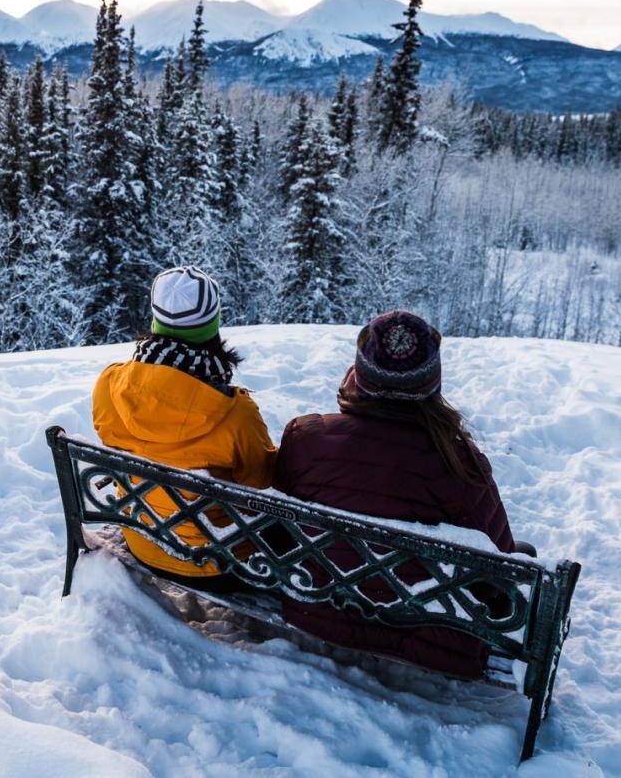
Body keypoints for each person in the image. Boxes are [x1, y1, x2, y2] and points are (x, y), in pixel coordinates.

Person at [275, 310, 529, 678]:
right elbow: (498, 574)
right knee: (523, 554)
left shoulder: (306, 437)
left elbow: (282, 524)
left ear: (358, 374)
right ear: (431, 381)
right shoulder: (458, 463)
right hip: (422, 632)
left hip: (316, 608)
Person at [92, 265, 277, 591]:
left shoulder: (110, 384)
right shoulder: (237, 413)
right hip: (216, 562)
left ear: (155, 319)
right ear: (214, 325)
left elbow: (111, 440)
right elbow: (262, 488)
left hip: (143, 540)